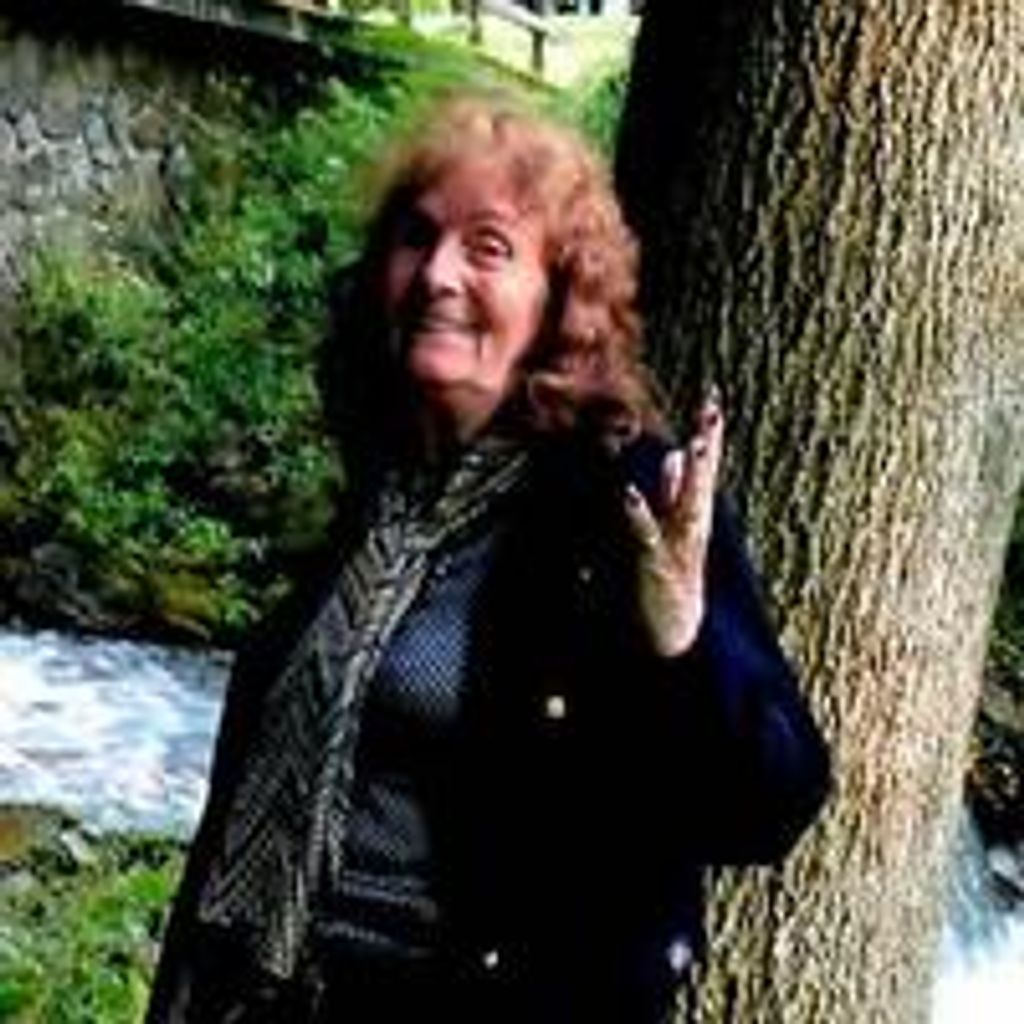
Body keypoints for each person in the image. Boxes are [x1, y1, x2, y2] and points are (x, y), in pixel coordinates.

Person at [146, 95, 830, 1024]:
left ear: (558, 301)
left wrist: (683, 642)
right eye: (417, 238)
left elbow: (770, 806)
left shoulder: (627, 500)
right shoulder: (384, 493)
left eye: (488, 248)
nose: (437, 274)